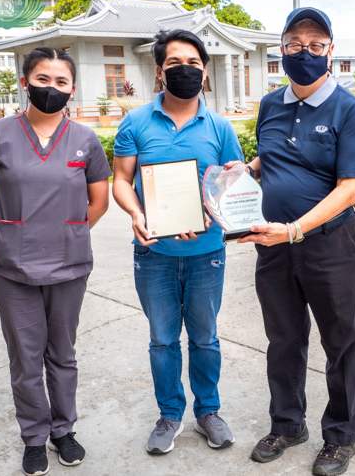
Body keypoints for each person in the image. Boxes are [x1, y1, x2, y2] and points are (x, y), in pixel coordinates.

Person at [227, 8, 355, 476]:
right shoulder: (271, 104)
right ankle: (288, 424)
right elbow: (269, 156)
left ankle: (340, 437)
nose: (304, 52)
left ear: (331, 51)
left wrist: (295, 229)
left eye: (315, 43)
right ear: (281, 50)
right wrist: (244, 170)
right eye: (294, 43)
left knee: (340, 341)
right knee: (283, 338)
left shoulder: (349, 109)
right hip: (271, 244)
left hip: (330, 244)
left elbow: (350, 187)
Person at [0, 47, 111, 476]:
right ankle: (34, 435)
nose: (52, 88)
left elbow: (98, 202)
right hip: (12, 268)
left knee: (62, 353)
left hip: (70, 265)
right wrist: (5, 235)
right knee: (25, 356)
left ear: (72, 88)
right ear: (25, 82)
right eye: (43, 79)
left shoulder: (85, 139)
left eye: (61, 81)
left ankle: (63, 430)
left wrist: (67, 233)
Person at [112, 29, 243, 455]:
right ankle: (170, 415)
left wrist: (214, 210)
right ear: (159, 71)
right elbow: (120, 180)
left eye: (192, 63)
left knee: (205, 338)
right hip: (155, 254)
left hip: (207, 254)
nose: (183, 70)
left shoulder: (220, 126)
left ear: (204, 72)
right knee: (163, 340)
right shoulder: (135, 122)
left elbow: (234, 182)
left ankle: (208, 411)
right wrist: (136, 213)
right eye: (174, 63)